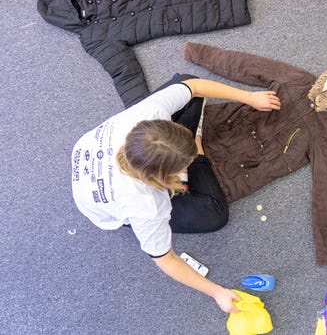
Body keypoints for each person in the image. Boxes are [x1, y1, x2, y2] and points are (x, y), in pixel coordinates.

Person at [70, 74, 281, 313]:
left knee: (189, 85)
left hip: (108, 161)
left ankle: (192, 144)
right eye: (185, 164)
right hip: (110, 209)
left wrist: (249, 98)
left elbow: (192, 85)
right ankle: (197, 145)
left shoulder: (148, 114)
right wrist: (217, 292)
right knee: (214, 214)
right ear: (164, 179)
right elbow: (166, 260)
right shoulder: (147, 206)